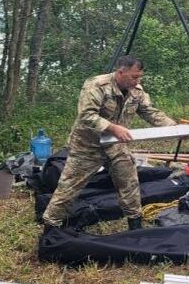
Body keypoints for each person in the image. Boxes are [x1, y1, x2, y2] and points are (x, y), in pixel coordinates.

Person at [42, 55, 179, 231]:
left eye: (140, 76)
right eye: (134, 76)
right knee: (69, 187)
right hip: (87, 146)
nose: (138, 80)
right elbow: (86, 115)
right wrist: (113, 128)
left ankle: (135, 225)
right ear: (120, 72)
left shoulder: (136, 90)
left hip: (115, 145)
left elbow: (149, 112)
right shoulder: (96, 85)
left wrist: (173, 127)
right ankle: (51, 226)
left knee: (129, 183)